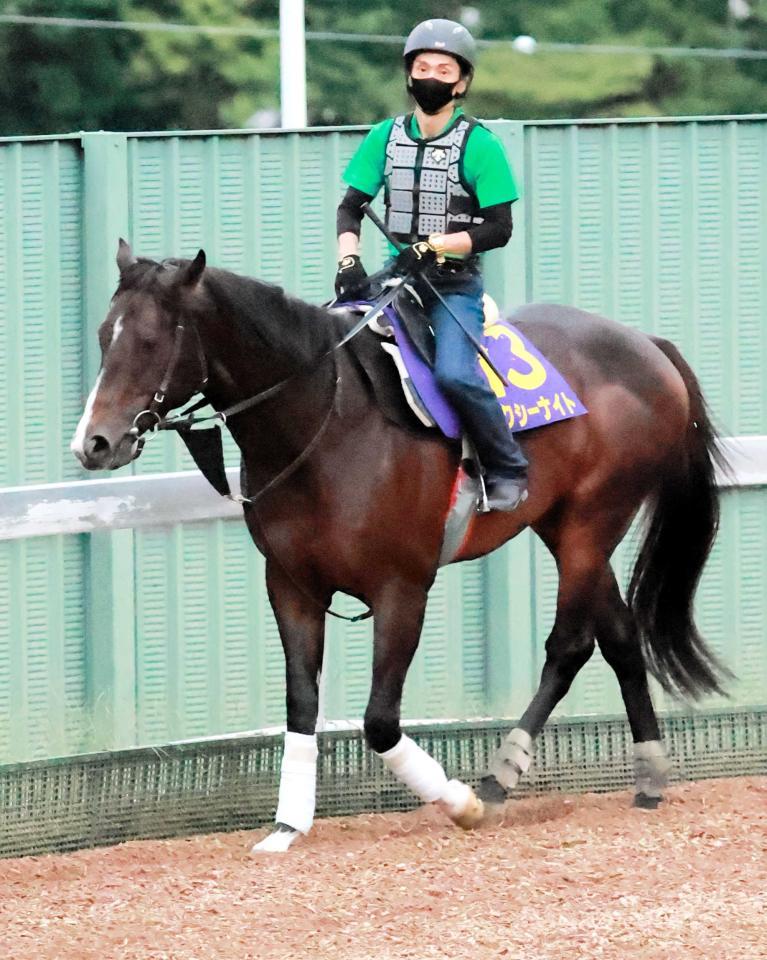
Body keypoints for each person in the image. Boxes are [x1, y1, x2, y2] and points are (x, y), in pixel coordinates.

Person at [334, 18, 529, 511]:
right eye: (422, 67)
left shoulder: (480, 144)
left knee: (456, 376)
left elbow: (498, 228)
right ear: (408, 76)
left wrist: (437, 246)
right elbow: (350, 206)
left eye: (443, 69)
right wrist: (349, 260)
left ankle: (507, 466)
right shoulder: (383, 136)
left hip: (454, 287)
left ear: (461, 83)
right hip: (395, 280)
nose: (431, 77)